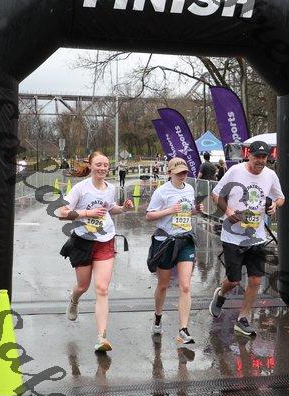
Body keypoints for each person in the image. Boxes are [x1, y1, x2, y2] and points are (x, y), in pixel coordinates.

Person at [58, 151, 133, 353]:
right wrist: (87, 213)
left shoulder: (111, 188)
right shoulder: (80, 189)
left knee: (102, 288)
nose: (102, 168)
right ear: (90, 165)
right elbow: (62, 213)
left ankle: (101, 337)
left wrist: (123, 209)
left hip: (105, 239)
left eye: (106, 165)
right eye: (98, 164)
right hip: (83, 241)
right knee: (83, 286)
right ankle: (74, 299)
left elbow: (110, 209)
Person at [209, 141, 285, 336]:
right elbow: (216, 195)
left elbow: (281, 198)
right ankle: (221, 293)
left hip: (256, 237)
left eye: (264, 157)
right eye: (257, 156)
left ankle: (242, 319)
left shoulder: (270, 175)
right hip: (233, 236)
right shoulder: (235, 171)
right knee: (234, 281)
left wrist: (275, 205)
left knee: (255, 280)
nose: (260, 160)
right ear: (248, 155)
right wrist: (228, 211)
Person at [146, 157, 203, 345]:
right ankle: (157, 317)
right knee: (163, 285)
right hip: (166, 241)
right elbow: (149, 215)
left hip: (185, 240)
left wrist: (196, 210)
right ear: (169, 173)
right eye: (178, 173)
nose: (182, 175)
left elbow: (187, 211)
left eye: (185, 172)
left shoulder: (189, 189)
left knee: (185, 286)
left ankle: (183, 330)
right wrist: (169, 210)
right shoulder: (161, 192)